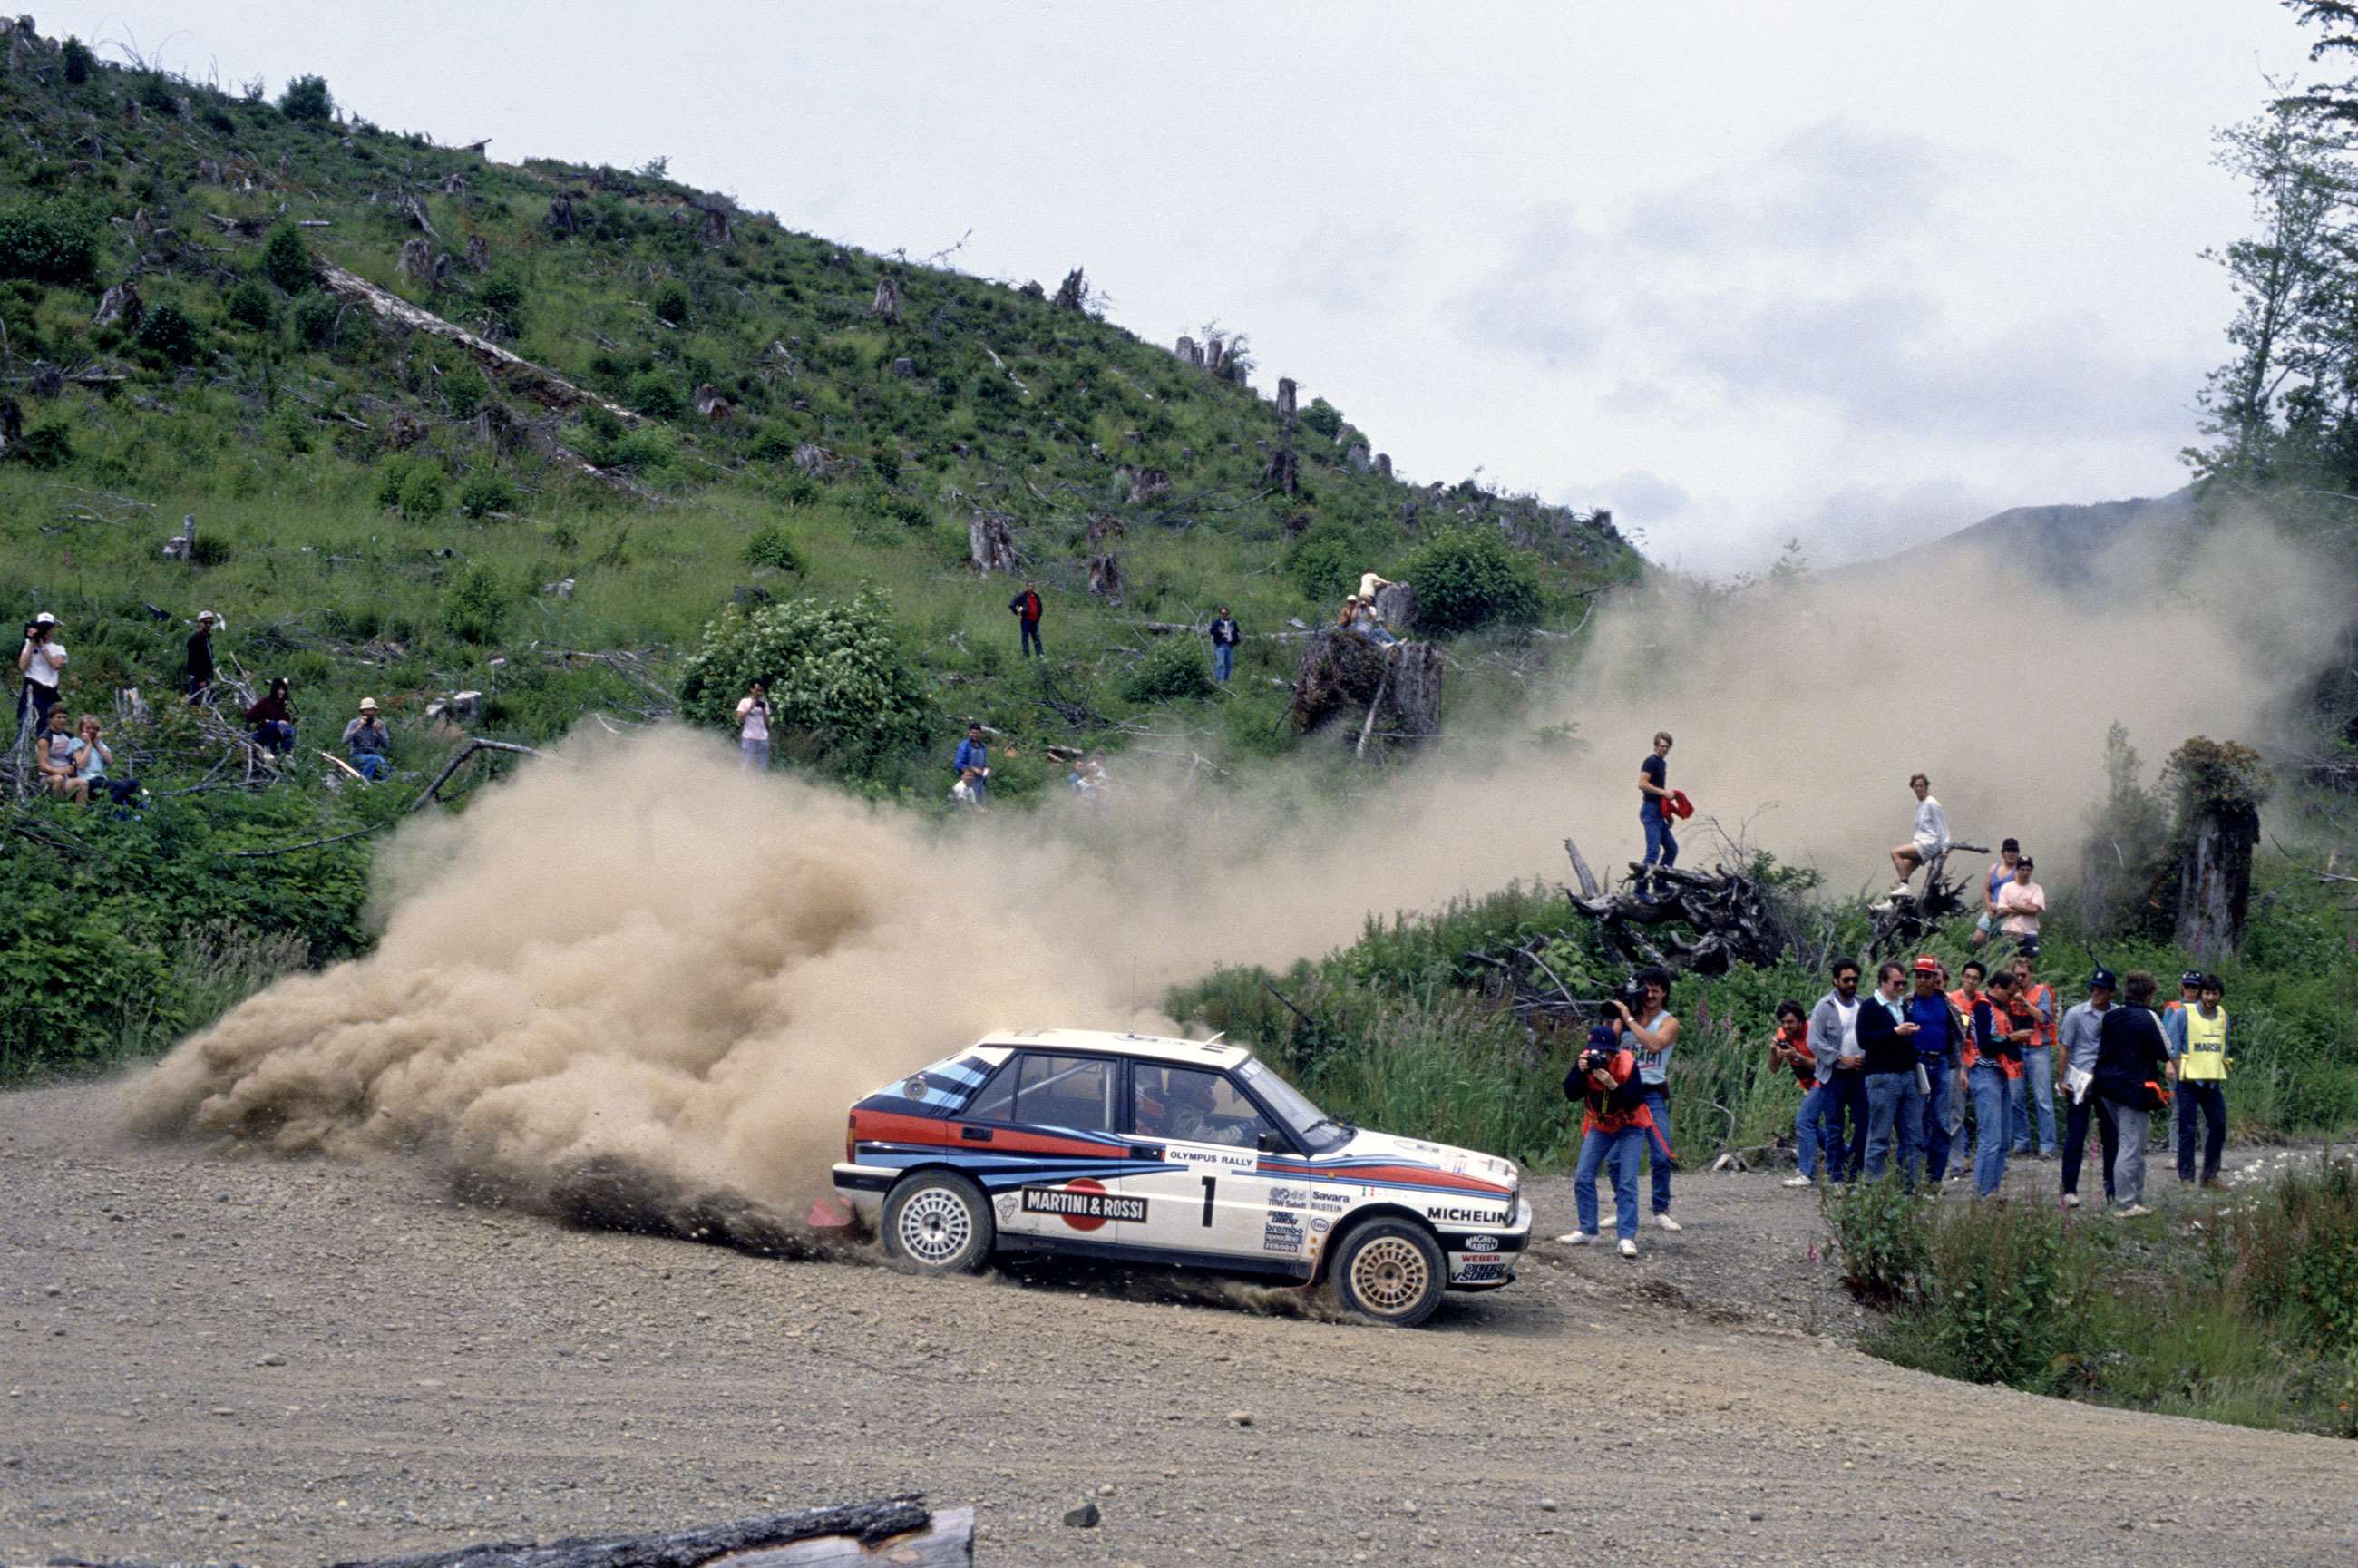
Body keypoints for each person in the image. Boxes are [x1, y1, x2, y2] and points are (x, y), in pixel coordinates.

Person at [1557, 1026, 1661, 1259]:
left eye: (1604, 1052)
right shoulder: (1586, 1064)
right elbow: (1571, 1094)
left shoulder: (1627, 1063)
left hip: (1630, 1126)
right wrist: (1578, 1071)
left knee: (1626, 1180)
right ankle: (1587, 1230)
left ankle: (1626, 1237)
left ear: (1614, 1052)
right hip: (1601, 1125)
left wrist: (1613, 1085)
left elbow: (1635, 1100)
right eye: (1595, 1052)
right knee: (1583, 1176)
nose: (1599, 1057)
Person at [2095, 970, 2173, 1216]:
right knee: (2130, 1146)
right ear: (2149, 995)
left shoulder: (2111, 1016)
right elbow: (2166, 1051)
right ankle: (2126, 1203)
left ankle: (2136, 1198)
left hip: (2106, 1087)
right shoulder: (2149, 1017)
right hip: (2133, 1088)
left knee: (2128, 1144)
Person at [1612, 968, 1682, 1231]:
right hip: (1622, 1092)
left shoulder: (1668, 1022)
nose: (1650, 995)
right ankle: (1622, 1207)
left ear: (1664, 993)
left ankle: (1660, 1209)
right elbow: (1609, 1041)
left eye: (1655, 990)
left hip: (1651, 1092)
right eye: (1646, 990)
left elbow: (1654, 1045)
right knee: (1615, 1159)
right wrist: (1619, 1013)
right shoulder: (1627, 1017)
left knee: (1662, 1153)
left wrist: (1629, 1019)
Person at [1963, 969, 2033, 1199]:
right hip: (1985, 1073)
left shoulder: (2000, 1009)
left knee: (2003, 1139)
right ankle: (1982, 1193)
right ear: (1996, 987)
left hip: (2001, 1074)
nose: (2011, 998)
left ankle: (1992, 1189)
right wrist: (2012, 1038)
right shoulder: (1983, 1007)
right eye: (2009, 993)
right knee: (1991, 1138)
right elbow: (1985, 1042)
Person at [1856, 961, 1926, 1185]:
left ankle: (1912, 1187)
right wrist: (1895, 1032)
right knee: (1880, 1135)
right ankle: (1873, 1187)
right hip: (1882, 1076)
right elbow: (1864, 1040)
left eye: (1904, 983)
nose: (1901, 987)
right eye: (1897, 983)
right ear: (1883, 982)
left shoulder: (1904, 1006)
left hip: (1908, 1074)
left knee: (1914, 1136)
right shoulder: (1869, 1007)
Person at [2059, 968, 2120, 1210]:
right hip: (2080, 1080)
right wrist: (2061, 1079)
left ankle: (2112, 1188)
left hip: (2107, 1081)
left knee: (2111, 1138)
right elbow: (2065, 1047)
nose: (2096, 993)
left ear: (2111, 992)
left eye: (2102, 989)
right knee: (2075, 1136)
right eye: (2094, 988)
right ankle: (2069, 1189)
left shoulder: (2118, 1015)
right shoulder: (2076, 1014)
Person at [1901, 957, 1966, 1184]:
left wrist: (1961, 1066)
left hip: (1941, 1063)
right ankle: (1913, 1175)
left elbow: (1959, 1035)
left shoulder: (1947, 1004)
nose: (1922, 980)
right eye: (1919, 976)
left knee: (1941, 1120)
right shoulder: (1907, 1003)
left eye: (1927, 976)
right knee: (1917, 1119)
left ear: (1934, 978)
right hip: (1917, 1064)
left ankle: (1935, 1177)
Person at [1807, 959, 1867, 1184]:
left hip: (1859, 1074)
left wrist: (1864, 1059)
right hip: (1834, 1075)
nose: (1851, 984)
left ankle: (1855, 1171)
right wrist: (1840, 1058)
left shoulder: (1862, 1005)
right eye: (1846, 980)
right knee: (1835, 1126)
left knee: (1863, 1122)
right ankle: (1835, 1176)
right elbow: (1814, 1041)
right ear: (1835, 980)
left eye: (1854, 979)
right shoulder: (1824, 1007)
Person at [2168, 974, 2230, 1186]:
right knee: (2187, 1129)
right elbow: (2172, 1047)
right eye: (2207, 993)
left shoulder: (2223, 1017)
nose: (2210, 998)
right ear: (2201, 994)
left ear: (2220, 995)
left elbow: (2225, 1047)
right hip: (2188, 1082)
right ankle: (2186, 1177)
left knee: (2218, 1126)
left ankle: (2210, 1175)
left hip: (2212, 1082)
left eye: (2215, 994)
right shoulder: (2183, 1014)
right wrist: (2181, 1073)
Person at [2009, 954, 2060, 1158]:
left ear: (2031, 974)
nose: (2020, 979)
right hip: (2016, 1050)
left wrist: (2024, 1003)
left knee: (2043, 1099)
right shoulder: (2008, 993)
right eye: (2017, 975)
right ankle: (2021, 1142)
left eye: (2023, 975)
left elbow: (2044, 1019)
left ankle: (2047, 1145)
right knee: (2015, 1098)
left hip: (2038, 1050)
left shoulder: (2041, 992)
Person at [1769, 1001, 1824, 1188]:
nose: (1787, 1026)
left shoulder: (1814, 1031)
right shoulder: (1783, 1034)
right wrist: (1773, 1052)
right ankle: (1849, 1155)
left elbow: (1824, 1064)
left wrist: (1797, 1056)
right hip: (1808, 1084)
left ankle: (1807, 1173)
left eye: (1791, 1022)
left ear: (1801, 1021)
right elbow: (1774, 1069)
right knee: (1812, 1126)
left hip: (1826, 1080)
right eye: (1783, 1022)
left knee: (1803, 1121)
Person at [1885, 772, 1950, 900]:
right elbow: (1922, 828)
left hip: (1929, 843)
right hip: (1920, 842)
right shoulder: (1919, 804)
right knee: (1904, 871)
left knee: (1895, 853)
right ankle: (1892, 903)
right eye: (1916, 786)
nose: (1919, 788)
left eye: (1921, 786)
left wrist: (1945, 848)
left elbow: (1942, 825)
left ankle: (1905, 887)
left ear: (1926, 787)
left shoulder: (1931, 803)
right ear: (1912, 788)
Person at [68, 713, 139, 806]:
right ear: (81, 729)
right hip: (87, 781)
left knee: (134, 783)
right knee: (122, 786)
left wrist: (97, 744)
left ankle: (135, 811)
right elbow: (81, 764)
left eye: (94, 728)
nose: (91, 731)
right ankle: (107, 809)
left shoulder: (99, 743)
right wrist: (88, 744)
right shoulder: (76, 742)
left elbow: (110, 762)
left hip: (101, 779)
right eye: (88, 728)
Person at [1637, 732, 1678, 894]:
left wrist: (1668, 815)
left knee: (1671, 848)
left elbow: (1659, 793)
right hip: (1650, 811)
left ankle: (1660, 885)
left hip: (1658, 812)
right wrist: (1663, 792)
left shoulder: (1662, 763)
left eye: (1667, 747)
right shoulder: (1651, 761)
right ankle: (1640, 891)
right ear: (1655, 746)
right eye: (1661, 746)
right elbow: (1642, 784)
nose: (1664, 749)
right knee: (1653, 852)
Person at [16, 610, 66, 737]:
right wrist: (31, 643)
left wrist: (42, 646)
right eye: (43, 628)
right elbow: (22, 666)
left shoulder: (58, 648)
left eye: (48, 628)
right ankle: (22, 747)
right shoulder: (28, 644)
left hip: (49, 691)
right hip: (32, 687)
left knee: (46, 726)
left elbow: (56, 665)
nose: (46, 631)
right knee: (25, 722)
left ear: (53, 628)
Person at [1993, 855, 2046, 957]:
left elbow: (2034, 909)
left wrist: (2013, 905)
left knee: (2028, 962)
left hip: (2029, 932)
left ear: (2031, 871)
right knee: (2007, 961)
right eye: (2022, 869)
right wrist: (2026, 909)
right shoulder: (2007, 887)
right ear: (2017, 870)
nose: (2025, 872)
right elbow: (2001, 910)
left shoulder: (2037, 888)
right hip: (2010, 930)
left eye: (2028, 870)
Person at [1973, 839, 2021, 948]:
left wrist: (2002, 908)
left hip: (2009, 914)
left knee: (2007, 947)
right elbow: (1986, 889)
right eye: (2009, 851)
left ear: (2018, 853)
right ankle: (1982, 956)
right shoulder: (1993, 868)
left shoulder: (2019, 873)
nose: (2012, 854)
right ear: (2003, 853)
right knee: (1977, 939)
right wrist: (1989, 908)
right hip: (1992, 911)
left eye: (2014, 851)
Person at [35, 706, 87, 803]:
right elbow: (43, 766)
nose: (62, 720)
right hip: (48, 778)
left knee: (83, 782)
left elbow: (74, 756)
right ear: (50, 719)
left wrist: (73, 768)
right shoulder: (45, 739)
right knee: (58, 779)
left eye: (64, 717)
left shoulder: (69, 736)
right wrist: (59, 771)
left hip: (67, 777)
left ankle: (79, 811)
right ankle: (58, 808)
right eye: (59, 717)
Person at [341, 698, 393, 782]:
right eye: (366, 710)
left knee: (383, 765)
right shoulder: (354, 723)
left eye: (371, 710)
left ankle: (384, 785)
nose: (369, 713)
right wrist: (358, 727)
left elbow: (386, 745)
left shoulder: (379, 724)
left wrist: (379, 732)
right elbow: (344, 741)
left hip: (374, 755)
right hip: (357, 756)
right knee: (376, 760)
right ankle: (363, 782)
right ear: (362, 711)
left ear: (375, 711)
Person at [245, 677, 295, 755]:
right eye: (279, 689)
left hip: (277, 734)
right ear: (274, 690)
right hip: (263, 732)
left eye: (283, 690)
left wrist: (285, 723)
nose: (281, 692)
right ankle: (267, 750)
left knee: (289, 729)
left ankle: (287, 753)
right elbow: (249, 715)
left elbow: (289, 719)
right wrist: (264, 720)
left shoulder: (284, 705)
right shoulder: (265, 701)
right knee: (272, 724)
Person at [735, 681, 772, 772]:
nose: (759, 693)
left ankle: (760, 780)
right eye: (757, 690)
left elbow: (767, 723)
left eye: (761, 691)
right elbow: (739, 718)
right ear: (751, 689)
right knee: (746, 765)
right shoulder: (744, 702)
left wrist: (763, 709)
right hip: (749, 738)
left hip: (763, 739)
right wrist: (750, 708)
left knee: (762, 767)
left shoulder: (765, 704)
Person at [183, 610, 219, 701]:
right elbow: (193, 660)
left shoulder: (206, 638)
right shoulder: (195, 639)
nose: (208, 625)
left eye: (211, 622)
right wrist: (201, 679)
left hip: (207, 677)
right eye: (206, 622)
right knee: (195, 701)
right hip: (197, 678)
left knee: (210, 701)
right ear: (200, 623)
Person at [951, 723, 990, 805]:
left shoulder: (982, 746)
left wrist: (986, 768)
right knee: (969, 806)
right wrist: (973, 769)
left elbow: (984, 763)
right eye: (972, 733)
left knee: (981, 805)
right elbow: (957, 764)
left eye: (977, 733)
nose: (975, 735)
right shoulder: (964, 745)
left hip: (980, 782)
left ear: (980, 733)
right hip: (968, 782)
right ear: (969, 732)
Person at [1008, 580, 1044, 658]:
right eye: (1030, 586)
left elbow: (1040, 607)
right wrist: (1017, 613)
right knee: (1025, 639)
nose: (1031, 588)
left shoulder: (1036, 596)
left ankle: (1040, 656)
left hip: (1034, 621)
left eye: (1033, 586)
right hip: (1026, 620)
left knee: (1037, 639)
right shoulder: (1022, 595)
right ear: (1026, 587)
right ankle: (1026, 657)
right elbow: (1011, 604)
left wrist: (1039, 616)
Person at [1208, 607, 1241, 684]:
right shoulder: (1216, 622)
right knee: (1220, 663)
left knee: (1229, 664)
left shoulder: (1233, 622)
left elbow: (1237, 632)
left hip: (1230, 645)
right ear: (1220, 614)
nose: (1225, 615)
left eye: (1226, 613)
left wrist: (1237, 641)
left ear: (1228, 613)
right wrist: (1220, 632)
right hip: (1221, 645)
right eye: (1223, 613)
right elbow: (1211, 631)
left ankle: (1227, 680)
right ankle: (1219, 681)